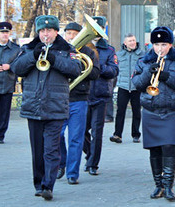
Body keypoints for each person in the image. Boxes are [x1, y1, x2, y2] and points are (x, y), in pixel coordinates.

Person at [11, 15, 82, 201]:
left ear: (56, 31)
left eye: (49, 31)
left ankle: (48, 185)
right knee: (37, 149)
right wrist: (33, 56)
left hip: (56, 106)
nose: (45, 34)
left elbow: (75, 69)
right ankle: (38, 183)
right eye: (42, 31)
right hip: (33, 106)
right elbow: (16, 68)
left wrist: (54, 59)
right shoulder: (28, 48)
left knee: (51, 149)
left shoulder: (67, 49)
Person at [132, 26, 175, 201]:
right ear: (152, 45)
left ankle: (168, 186)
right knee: (154, 149)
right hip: (151, 110)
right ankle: (158, 185)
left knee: (169, 147)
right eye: (157, 44)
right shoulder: (144, 60)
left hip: (172, 110)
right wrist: (147, 73)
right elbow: (137, 84)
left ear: (170, 45)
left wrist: (167, 76)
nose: (160, 48)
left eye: (164, 44)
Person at [57, 22, 100, 185]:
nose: (72, 37)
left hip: (79, 99)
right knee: (58, 135)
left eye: (75, 33)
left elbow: (95, 73)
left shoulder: (88, 52)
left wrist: (79, 64)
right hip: (60, 98)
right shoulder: (59, 50)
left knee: (76, 138)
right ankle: (61, 164)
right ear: (65, 35)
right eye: (69, 34)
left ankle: (72, 173)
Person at [83, 16, 119, 175]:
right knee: (81, 131)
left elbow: (114, 71)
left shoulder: (109, 50)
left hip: (101, 94)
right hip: (83, 95)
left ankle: (92, 164)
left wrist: (98, 66)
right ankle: (90, 155)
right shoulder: (81, 47)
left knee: (97, 132)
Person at [110, 33, 144, 144]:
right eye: (130, 41)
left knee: (136, 112)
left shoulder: (142, 54)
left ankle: (136, 134)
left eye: (134, 40)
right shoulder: (119, 55)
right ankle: (117, 134)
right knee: (120, 111)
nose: (133, 42)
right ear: (125, 43)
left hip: (136, 87)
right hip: (123, 87)